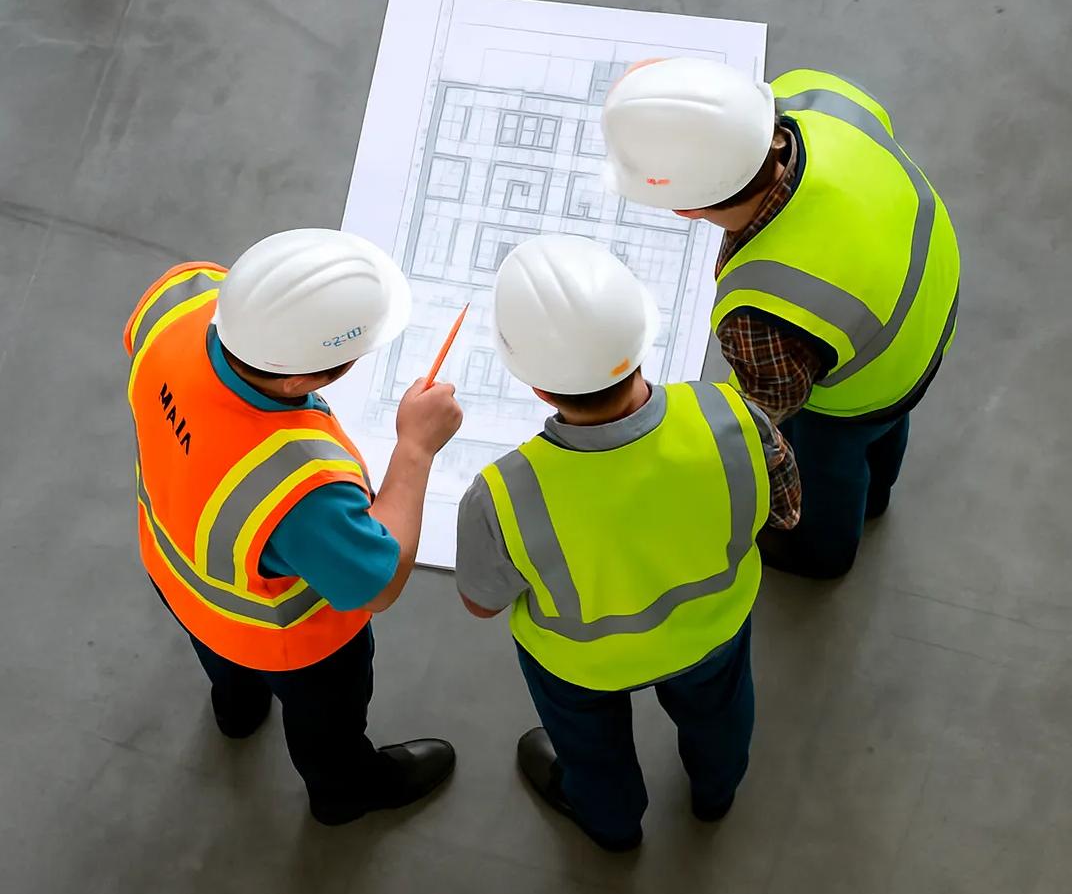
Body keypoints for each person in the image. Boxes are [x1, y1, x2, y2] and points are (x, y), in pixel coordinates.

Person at [454, 234, 800, 851]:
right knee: (720, 715)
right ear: (643, 337)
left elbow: (481, 603)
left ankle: (612, 825)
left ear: (536, 386)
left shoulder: (501, 494)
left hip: (582, 664)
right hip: (711, 632)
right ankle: (716, 791)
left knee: (589, 748)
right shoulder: (732, 416)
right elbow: (783, 511)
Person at [123, 228, 463, 825]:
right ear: (299, 383)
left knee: (226, 667)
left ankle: (236, 709)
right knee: (325, 722)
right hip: (287, 642)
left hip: (178, 577)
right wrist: (416, 447)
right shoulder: (299, 485)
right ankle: (342, 793)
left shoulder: (180, 297)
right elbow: (379, 583)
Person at [602, 60, 961, 578]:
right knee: (884, 434)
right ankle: (879, 494)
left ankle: (824, 553)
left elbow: (770, 409)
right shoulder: (819, 93)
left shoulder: (763, 307)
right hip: (924, 303)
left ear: (685, 209)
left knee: (829, 464)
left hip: (865, 389)